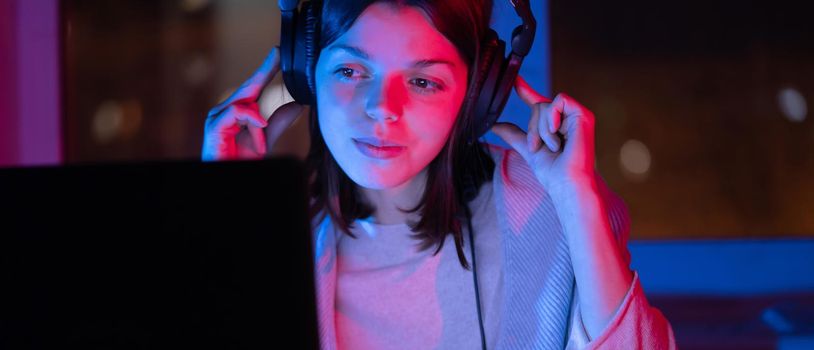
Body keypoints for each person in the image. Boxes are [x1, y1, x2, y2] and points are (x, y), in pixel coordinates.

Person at [202, 1, 677, 349]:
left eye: (423, 81)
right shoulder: (266, 229)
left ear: (475, 97)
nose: (382, 109)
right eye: (350, 70)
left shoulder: (548, 207)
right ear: (307, 75)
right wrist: (226, 211)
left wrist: (578, 202)